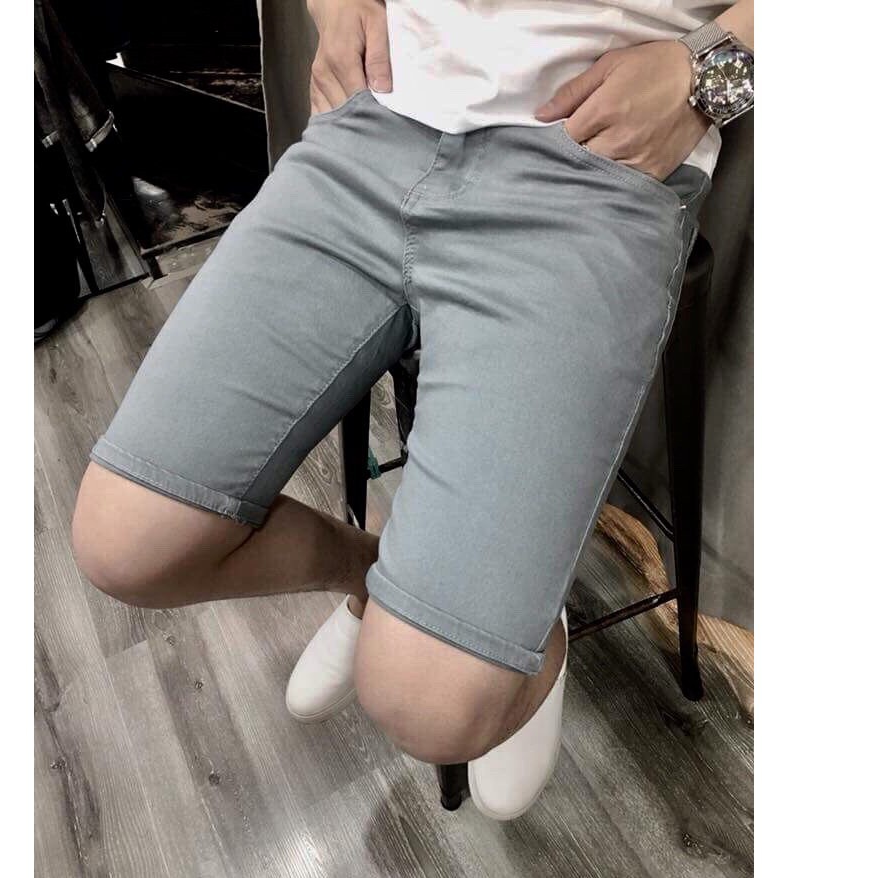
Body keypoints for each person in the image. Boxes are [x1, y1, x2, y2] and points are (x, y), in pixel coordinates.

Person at [71, 0, 754, 820]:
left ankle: (513, 619)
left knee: (432, 708)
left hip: (589, 161)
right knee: (125, 545)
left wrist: (709, 70)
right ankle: (383, 579)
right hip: (378, 115)